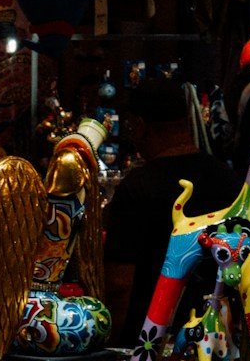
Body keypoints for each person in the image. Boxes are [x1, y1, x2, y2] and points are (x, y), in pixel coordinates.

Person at [103, 78, 241, 338]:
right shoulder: (229, 180)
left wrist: (112, 346)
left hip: (147, 348)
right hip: (217, 339)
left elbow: (120, 285)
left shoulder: (136, 189)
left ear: (140, 126)